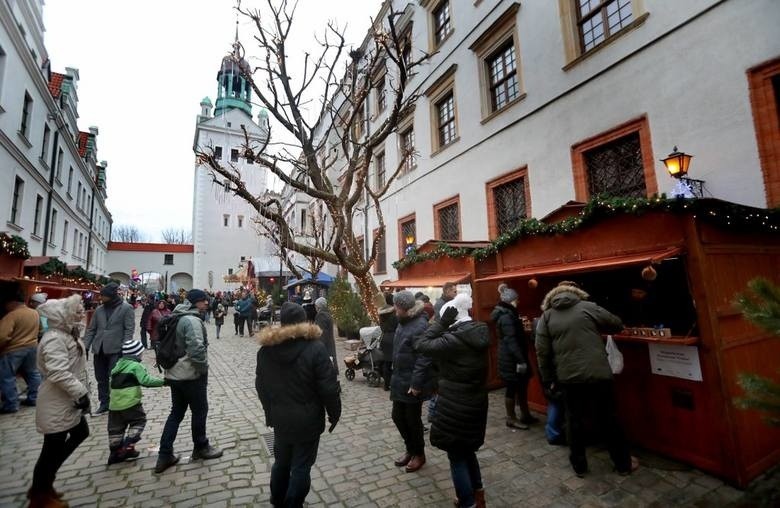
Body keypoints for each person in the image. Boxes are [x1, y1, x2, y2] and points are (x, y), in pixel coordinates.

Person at [535, 281, 636, 477]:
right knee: (609, 419)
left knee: (574, 422)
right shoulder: (588, 307)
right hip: (598, 373)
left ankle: (579, 467)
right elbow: (616, 323)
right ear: (575, 293)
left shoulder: (546, 316)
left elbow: (542, 351)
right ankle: (623, 464)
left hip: (568, 377)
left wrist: (548, 379)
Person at [256, 302, 341, 507]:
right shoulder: (316, 348)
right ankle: (292, 503)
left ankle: (277, 499)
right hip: (307, 419)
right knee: (301, 466)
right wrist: (334, 413)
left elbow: (261, 387)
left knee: (282, 463)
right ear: (304, 320)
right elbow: (329, 388)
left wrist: (270, 412)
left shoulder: (266, 351)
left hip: (281, 418)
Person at [415, 294, 489, 508]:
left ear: (452, 319)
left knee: (456, 456)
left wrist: (442, 322)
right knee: (467, 451)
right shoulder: (479, 332)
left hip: (455, 405)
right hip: (475, 402)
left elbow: (421, 344)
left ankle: (467, 503)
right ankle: (478, 495)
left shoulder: (453, 340)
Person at [28, 295, 90, 508]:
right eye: (77, 311)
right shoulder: (55, 337)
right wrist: (81, 392)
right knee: (51, 449)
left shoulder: (66, 334)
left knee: (80, 433)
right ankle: (40, 495)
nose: (81, 314)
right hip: (57, 400)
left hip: (67, 398)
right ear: (63, 316)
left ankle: (44, 485)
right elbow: (58, 372)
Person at [154, 289, 222, 474]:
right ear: (194, 302)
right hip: (189, 375)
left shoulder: (176, 316)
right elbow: (196, 349)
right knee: (200, 411)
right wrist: (202, 370)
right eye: (203, 301)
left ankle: (165, 454)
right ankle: (201, 447)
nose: (207, 303)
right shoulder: (191, 320)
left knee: (176, 413)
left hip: (174, 374)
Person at [390, 290, 434, 473]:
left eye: (396, 306)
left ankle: (419, 454)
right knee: (398, 416)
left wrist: (416, 384)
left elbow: (424, 358)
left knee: (412, 420)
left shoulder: (419, 326)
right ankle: (410, 449)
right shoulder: (404, 322)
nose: (394, 309)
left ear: (404, 307)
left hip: (411, 382)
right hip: (400, 378)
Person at [107, 339, 164, 465]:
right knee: (139, 421)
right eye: (141, 353)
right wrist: (163, 382)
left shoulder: (117, 366)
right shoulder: (135, 366)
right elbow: (146, 381)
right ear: (136, 354)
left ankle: (115, 453)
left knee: (116, 429)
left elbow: (110, 384)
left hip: (114, 405)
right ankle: (128, 445)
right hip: (130, 403)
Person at [84, 282, 135, 415]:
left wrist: (125, 347)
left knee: (114, 377)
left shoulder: (126, 308)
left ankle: (117, 403)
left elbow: (129, 329)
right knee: (100, 378)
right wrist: (85, 346)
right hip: (99, 349)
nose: (101, 298)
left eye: (103, 296)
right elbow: (91, 329)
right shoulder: (99, 309)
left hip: (116, 349)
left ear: (111, 296)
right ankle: (104, 403)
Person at [491, 283, 536, 429]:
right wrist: (520, 360)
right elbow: (511, 340)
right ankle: (511, 418)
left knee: (521, 386)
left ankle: (525, 414)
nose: (518, 301)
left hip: (511, 357)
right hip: (511, 359)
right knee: (512, 387)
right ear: (511, 300)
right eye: (516, 299)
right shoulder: (506, 317)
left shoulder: (508, 314)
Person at [0, 291, 42, 413]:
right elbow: (40, 329)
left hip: (14, 349)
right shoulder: (34, 313)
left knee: (6, 376)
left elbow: (2, 336)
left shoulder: (12, 315)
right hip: (32, 346)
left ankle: (11, 403)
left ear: (12, 303)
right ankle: (34, 398)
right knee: (33, 373)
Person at [378, 292, 397, 392]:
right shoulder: (394, 313)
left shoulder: (382, 312)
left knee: (387, 362)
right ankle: (393, 383)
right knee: (394, 362)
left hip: (384, 337)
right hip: (393, 337)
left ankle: (386, 384)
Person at [314, 297, 338, 374]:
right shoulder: (327, 314)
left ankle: (329, 371)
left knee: (327, 357)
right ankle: (333, 369)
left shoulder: (321, 316)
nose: (315, 307)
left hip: (324, 342)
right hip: (329, 340)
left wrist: (319, 344)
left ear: (319, 306)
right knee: (331, 355)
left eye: (316, 306)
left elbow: (321, 332)